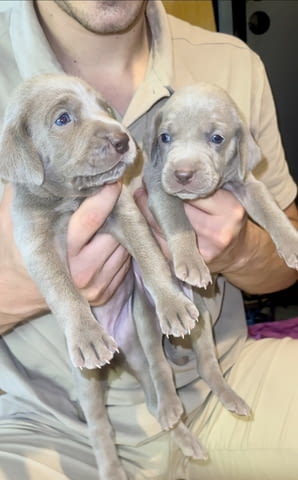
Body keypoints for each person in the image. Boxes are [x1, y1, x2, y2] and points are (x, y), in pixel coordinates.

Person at [0, 1, 297, 479]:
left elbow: (288, 266)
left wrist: (242, 250)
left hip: (221, 378)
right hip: (45, 423)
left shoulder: (234, 62)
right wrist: (13, 291)